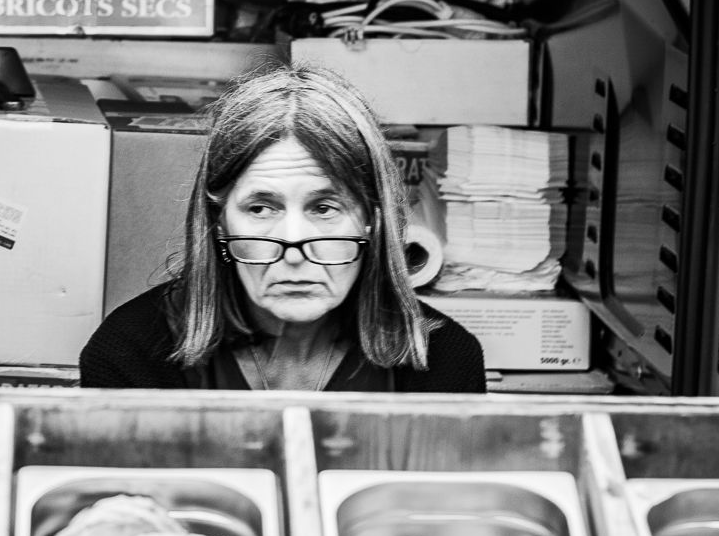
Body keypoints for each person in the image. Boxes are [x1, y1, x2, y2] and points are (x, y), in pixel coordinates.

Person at [80, 62, 486, 392]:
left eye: (325, 208)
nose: (293, 243)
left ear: (372, 222)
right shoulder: (131, 353)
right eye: (261, 208)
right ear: (218, 223)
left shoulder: (443, 361)